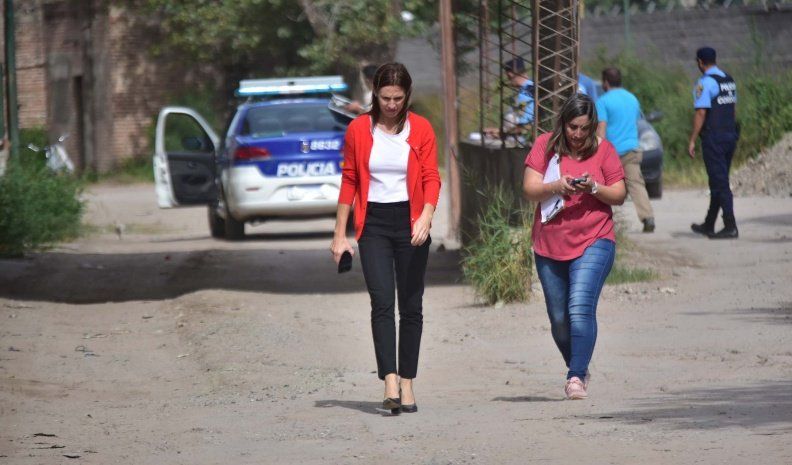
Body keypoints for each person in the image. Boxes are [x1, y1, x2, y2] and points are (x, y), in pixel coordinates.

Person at [330, 62, 441, 414]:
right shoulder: (358, 130)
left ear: (407, 95)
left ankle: (408, 381)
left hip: (411, 221)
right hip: (374, 223)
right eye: (385, 98)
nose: (392, 105)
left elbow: (431, 177)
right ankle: (389, 380)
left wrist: (426, 216)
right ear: (375, 94)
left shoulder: (421, 128)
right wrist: (339, 235)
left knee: (411, 305)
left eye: (398, 98)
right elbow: (349, 180)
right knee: (381, 302)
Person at [522, 93, 627, 400]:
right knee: (558, 318)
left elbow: (619, 194)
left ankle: (575, 376)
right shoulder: (545, 146)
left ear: (592, 126)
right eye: (573, 127)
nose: (578, 134)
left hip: (595, 238)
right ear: (563, 123)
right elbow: (529, 188)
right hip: (549, 243)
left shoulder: (605, 150)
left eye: (584, 128)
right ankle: (579, 364)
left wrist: (594, 187)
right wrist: (557, 186)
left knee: (579, 307)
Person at [595, 67, 656, 233]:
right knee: (636, 184)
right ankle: (648, 218)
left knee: (603, 187)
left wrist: (598, 150)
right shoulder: (632, 99)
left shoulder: (603, 101)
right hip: (631, 149)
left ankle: (603, 221)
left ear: (605, 82)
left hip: (611, 153)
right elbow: (636, 122)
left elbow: (601, 127)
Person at [688, 46, 739, 239]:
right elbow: (732, 108)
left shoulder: (705, 82)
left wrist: (692, 139)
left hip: (714, 138)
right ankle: (709, 224)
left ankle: (730, 226)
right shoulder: (728, 79)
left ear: (700, 62)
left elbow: (701, 112)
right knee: (718, 180)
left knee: (720, 181)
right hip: (730, 135)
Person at [485, 57, 534, 138]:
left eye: (508, 77)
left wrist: (500, 132)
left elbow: (526, 125)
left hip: (521, 140)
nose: (508, 80)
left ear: (510, 74)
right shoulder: (529, 87)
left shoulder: (525, 94)